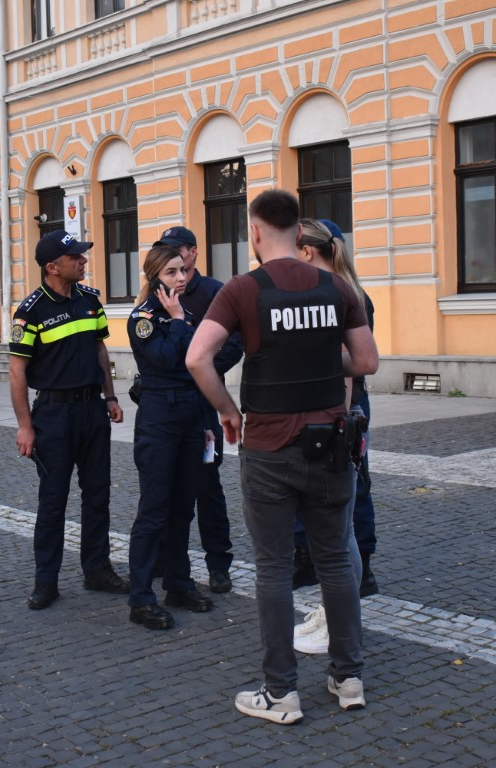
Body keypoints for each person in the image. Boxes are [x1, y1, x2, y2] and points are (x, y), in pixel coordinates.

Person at [186, 189, 378, 724]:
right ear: (298, 231)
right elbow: (366, 361)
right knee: (336, 559)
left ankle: (280, 693)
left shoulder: (243, 289)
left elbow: (197, 357)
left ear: (254, 232)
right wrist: (321, 357)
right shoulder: (336, 287)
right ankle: (348, 677)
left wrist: (227, 410)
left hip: (269, 447)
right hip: (329, 442)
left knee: (272, 567)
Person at [9, 229, 128, 611]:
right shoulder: (30, 311)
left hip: (92, 410)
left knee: (98, 495)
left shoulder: (90, 300)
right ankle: (46, 581)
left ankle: (97, 569)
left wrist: (110, 396)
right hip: (54, 416)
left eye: (82, 255)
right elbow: (17, 372)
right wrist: (25, 426)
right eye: (75, 256)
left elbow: (99, 349)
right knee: (53, 502)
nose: (83, 260)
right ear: (52, 267)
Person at [126, 244, 215, 630]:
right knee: (154, 510)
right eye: (172, 272)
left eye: (183, 270)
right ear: (154, 278)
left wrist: (205, 420)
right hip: (159, 418)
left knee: (183, 507)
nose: (181, 277)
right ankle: (141, 598)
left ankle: (178, 584)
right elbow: (164, 359)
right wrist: (178, 320)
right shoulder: (143, 318)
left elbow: (197, 367)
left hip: (190, 416)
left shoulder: (185, 314)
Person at [152, 227, 243, 594]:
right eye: (166, 253)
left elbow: (234, 342)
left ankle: (218, 563)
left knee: (207, 485)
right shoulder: (156, 294)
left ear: (192, 252)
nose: (174, 261)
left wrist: (202, 371)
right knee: (163, 484)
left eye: (177, 251)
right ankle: (163, 558)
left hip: (203, 403)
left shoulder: (214, 292)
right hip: (168, 405)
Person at [292, 219, 378, 597]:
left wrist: (337, 419)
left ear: (307, 251)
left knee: (346, 487)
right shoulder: (346, 291)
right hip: (341, 404)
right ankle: (333, 564)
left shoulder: (338, 295)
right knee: (342, 486)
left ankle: (355, 571)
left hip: (340, 406)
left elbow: (349, 363)